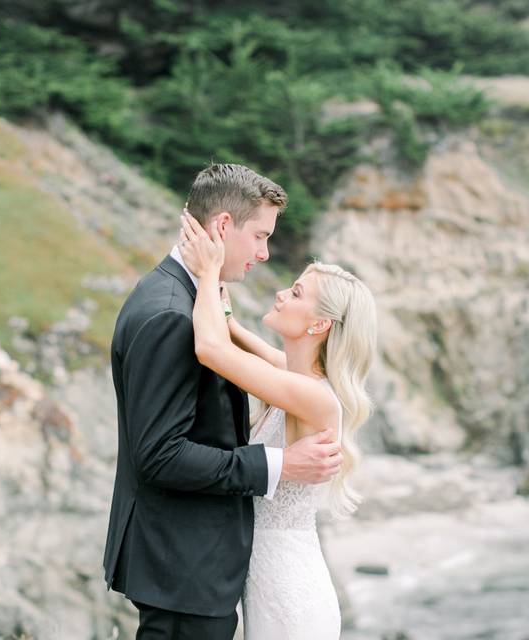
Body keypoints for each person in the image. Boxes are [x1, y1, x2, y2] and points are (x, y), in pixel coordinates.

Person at [103, 164, 344, 640]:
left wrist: (215, 288)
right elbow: (160, 455)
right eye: (259, 236)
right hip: (183, 568)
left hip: (207, 570)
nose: (264, 253)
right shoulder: (171, 316)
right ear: (222, 227)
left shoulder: (182, 302)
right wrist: (279, 465)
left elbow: (226, 351)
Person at [178, 209, 377, 639]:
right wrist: (218, 295)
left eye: (298, 292)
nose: (283, 293)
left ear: (320, 323)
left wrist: (211, 269)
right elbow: (234, 337)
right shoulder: (298, 378)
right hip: (270, 580)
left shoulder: (311, 396)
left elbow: (212, 349)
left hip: (289, 592)